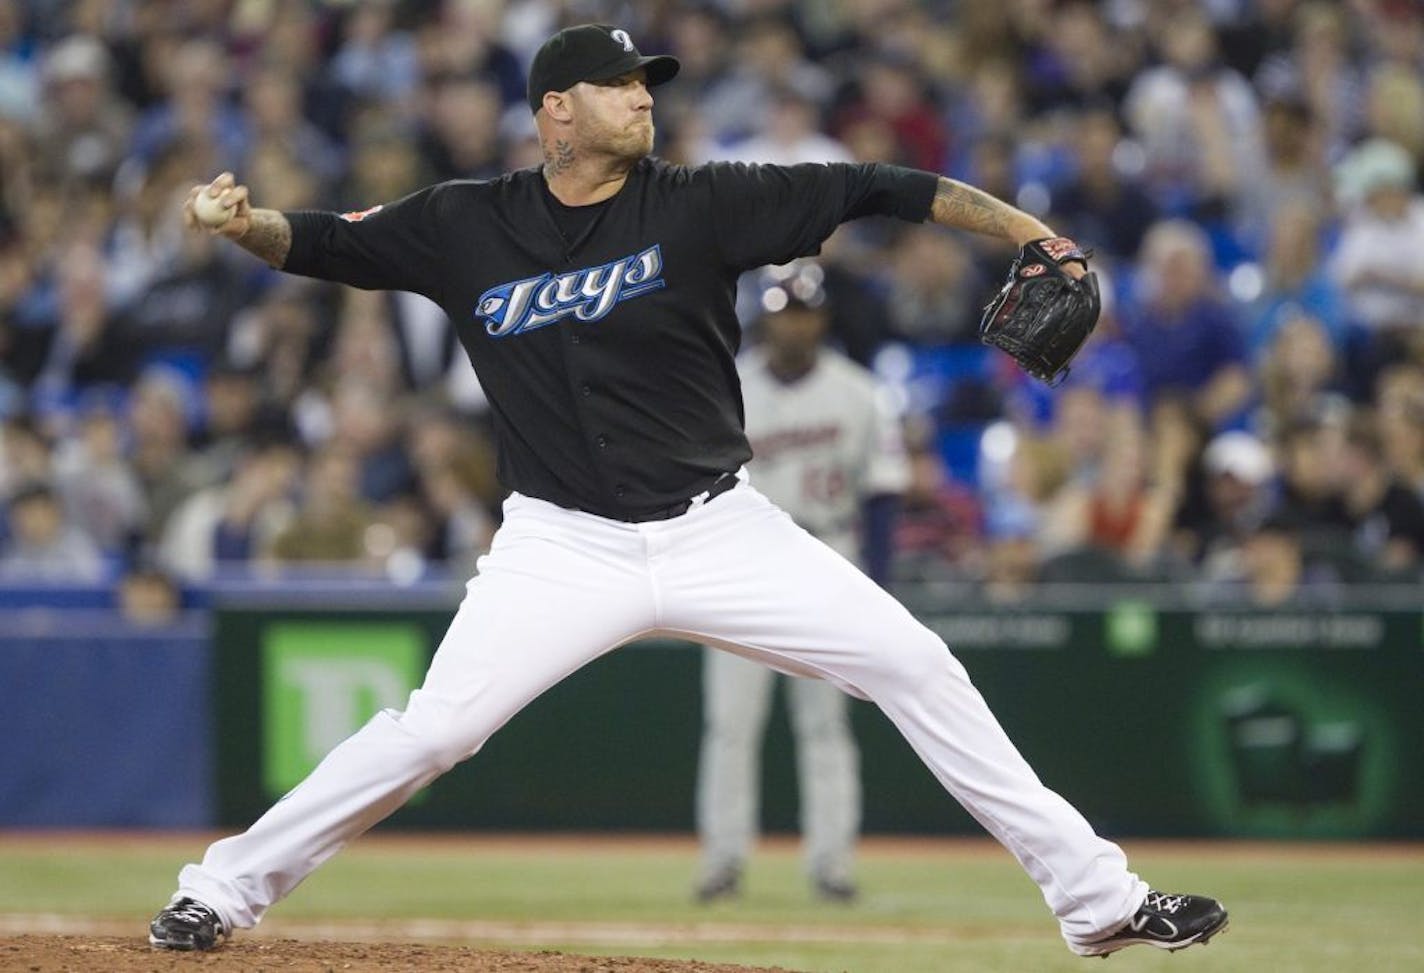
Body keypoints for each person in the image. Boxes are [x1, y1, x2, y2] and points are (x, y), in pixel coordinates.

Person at [148, 24, 1227, 959]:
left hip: (720, 529)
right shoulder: (464, 222)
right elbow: (333, 243)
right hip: (558, 545)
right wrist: (244, 224)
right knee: (432, 733)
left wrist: (1033, 235)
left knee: (914, 662)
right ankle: (219, 890)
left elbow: (879, 186)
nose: (642, 97)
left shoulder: (706, 204)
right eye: (620, 86)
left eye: (647, 83)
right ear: (555, 112)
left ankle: (1098, 901)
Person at [694, 261, 908, 904]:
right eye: (783, 310)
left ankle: (831, 865)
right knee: (731, 724)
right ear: (765, 316)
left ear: (822, 317)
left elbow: (884, 496)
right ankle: (723, 862)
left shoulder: (860, 392)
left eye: (804, 311)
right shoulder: (726, 386)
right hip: (742, 565)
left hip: (827, 554)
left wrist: (880, 586)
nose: (793, 322)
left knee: (825, 726)